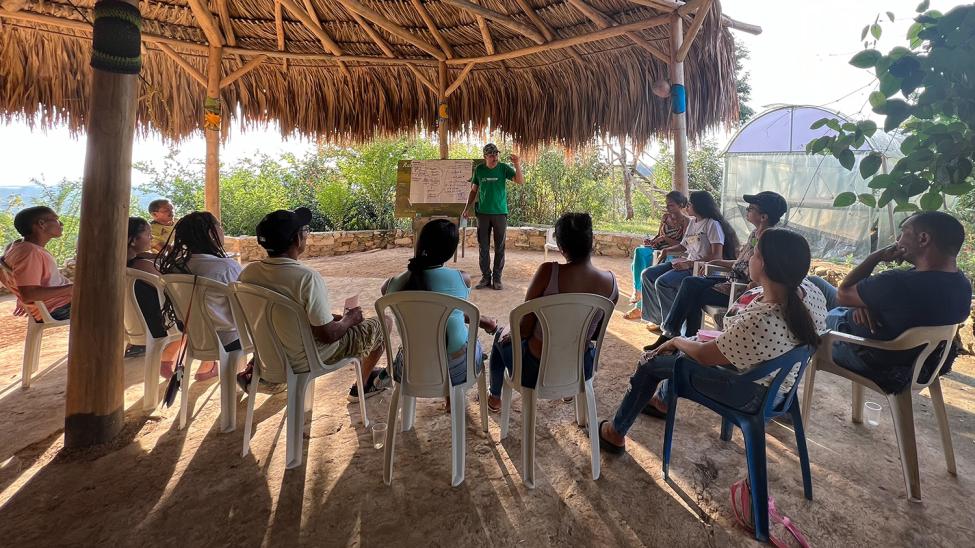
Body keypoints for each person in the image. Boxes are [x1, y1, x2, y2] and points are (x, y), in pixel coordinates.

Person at [599, 228, 826, 453]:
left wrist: (677, 341)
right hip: (778, 383)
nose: (749, 258)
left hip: (750, 392)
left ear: (764, 265)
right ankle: (662, 401)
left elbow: (704, 356)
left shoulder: (762, 320)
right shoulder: (811, 291)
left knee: (651, 361)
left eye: (754, 254)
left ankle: (615, 433)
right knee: (688, 345)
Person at [237, 207, 389, 402]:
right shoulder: (306, 278)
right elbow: (329, 335)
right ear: (297, 239)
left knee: (341, 322)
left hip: (270, 358)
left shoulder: (248, 273)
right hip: (309, 358)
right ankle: (365, 384)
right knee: (383, 322)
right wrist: (349, 320)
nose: (306, 236)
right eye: (305, 231)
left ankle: (265, 380)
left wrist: (334, 319)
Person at [819, 211, 972, 394]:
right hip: (919, 367)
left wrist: (875, 257)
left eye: (904, 232)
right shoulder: (961, 284)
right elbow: (903, 304)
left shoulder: (897, 283)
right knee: (819, 285)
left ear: (923, 239)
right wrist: (865, 303)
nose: (897, 240)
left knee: (812, 292)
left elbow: (843, 294)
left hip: (868, 358)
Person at [486, 212, 619, 412]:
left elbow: (524, 328)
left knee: (499, 336)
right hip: (580, 368)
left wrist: (506, 332)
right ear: (592, 241)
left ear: (562, 247)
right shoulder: (611, 283)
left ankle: (495, 397)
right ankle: (567, 390)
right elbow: (596, 334)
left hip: (535, 371)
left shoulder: (548, 273)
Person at [649, 191, 788, 348]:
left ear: (763, 217)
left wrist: (717, 264)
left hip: (739, 288)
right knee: (689, 284)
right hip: (730, 278)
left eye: (751, 208)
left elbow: (757, 274)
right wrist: (717, 262)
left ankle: (677, 336)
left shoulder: (769, 240)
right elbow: (742, 262)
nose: (747, 210)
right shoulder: (755, 234)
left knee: (691, 291)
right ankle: (681, 337)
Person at [381, 219, 499, 389]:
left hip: (409, 368)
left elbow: (428, 310)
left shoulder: (391, 284)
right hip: (454, 370)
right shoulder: (461, 279)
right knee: (471, 343)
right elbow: (450, 312)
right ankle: (452, 400)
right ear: (451, 251)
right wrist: (485, 322)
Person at [157, 211, 242, 381]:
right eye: (220, 227)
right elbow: (244, 308)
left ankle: (209, 366)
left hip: (194, 337)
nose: (222, 231)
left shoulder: (175, 267)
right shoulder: (227, 267)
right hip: (229, 341)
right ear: (212, 233)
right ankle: (257, 377)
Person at [640, 190, 740, 332]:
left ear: (699, 206)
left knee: (663, 283)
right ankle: (658, 318)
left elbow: (716, 255)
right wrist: (667, 250)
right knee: (647, 274)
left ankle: (671, 326)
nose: (687, 207)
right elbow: (683, 245)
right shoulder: (693, 223)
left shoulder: (712, 225)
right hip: (687, 261)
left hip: (698, 267)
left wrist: (688, 264)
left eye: (689, 204)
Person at [461, 143, 525, 291]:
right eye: (491, 155)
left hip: (500, 213)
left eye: (496, 154)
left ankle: (497, 278)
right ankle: (485, 277)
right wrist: (466, 208)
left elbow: (520, 181)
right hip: (482, 213)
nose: (494, 157)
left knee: (499, 247)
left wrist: (517, 164)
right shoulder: (479, 170)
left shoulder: (503, 168)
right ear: (485, 157)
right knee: (483, 247)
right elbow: (473, 191)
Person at [126, 217, 182, 372]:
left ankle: (166, 360)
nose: (151, 238)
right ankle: (207, 366)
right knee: (198, 318)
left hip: (133, 324)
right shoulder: (142, 266)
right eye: (148, 234)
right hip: (158, 325)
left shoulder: (124, 265)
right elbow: (171, 289)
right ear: (133, 240)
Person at [623, 191, 690, 320]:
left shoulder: (686, 222)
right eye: (667, 205)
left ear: (680, 205)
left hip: (673, 251)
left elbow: (683, 244)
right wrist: (652, 241)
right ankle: (637, 292)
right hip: (657, 249)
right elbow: (659, 236)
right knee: (639, 252)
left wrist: (666, 239)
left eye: (671, 205)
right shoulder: (665, 217)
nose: (668, 208)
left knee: (657, 269)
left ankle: (645, 308)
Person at [1, 206, 72, 321]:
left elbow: (4, 271)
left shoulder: (15, 246)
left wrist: (20, 294)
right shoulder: (30, 253)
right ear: (41, 224)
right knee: (108, 304)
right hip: (58, 308)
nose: (61, 224)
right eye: (56, 219)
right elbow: (29, 294)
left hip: (54, 304)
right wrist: (73, 288)